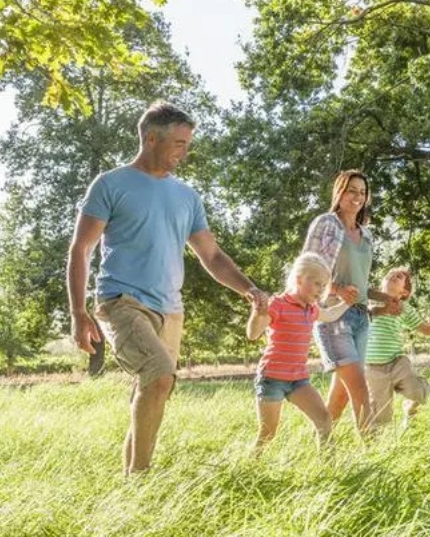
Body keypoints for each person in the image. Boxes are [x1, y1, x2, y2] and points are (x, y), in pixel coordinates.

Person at [67, 101, 267, 475]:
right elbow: (81, 249)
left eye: (188, 143)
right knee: (159, 376)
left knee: (155, 390)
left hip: (170, 308)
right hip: (120, 300)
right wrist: (79, 313)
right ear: (151, 137)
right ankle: (141, 479)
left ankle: (130, 484)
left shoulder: (187, 196)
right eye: (178, 143)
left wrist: (249, 289)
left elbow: (211, 255)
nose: (184, 152)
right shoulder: (111, 184)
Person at [302, 169, 400, 435]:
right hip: (333, 316)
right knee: (359, 387)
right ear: (339, 192)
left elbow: (360, 284)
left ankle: (320, 445)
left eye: (362, 192)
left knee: (342, 395)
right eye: (351, 190)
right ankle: (372, 454)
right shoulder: (326, 224)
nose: (357, 197)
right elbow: (306, 270)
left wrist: (385, 299)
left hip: (360, 318)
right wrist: (337, 288)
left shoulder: (366, 235)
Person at [246, 253, 353, 452]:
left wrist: (347, 302)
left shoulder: (311, 309)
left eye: (324, 286)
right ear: (299, 280)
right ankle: (250, 466)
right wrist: (258, 312)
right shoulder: (277, 305)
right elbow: (253, 334)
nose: (321, 290)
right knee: (268, 433)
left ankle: (330, 467)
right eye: (317, 284)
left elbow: (329, 315)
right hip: (272, 378)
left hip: (298, 380)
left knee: (324, 419)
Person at [365, 268, 430, 428]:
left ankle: (410, 408)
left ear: (404, 292)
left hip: (397, 361)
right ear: (382, 283)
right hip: (372, 367)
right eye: (389, 274)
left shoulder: (404, 308)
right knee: (380, 415)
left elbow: (425, 329)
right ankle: (377, 446)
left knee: (418, 392)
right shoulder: (369, 303)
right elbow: (365, 313)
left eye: (399, 277)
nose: (393, 276)